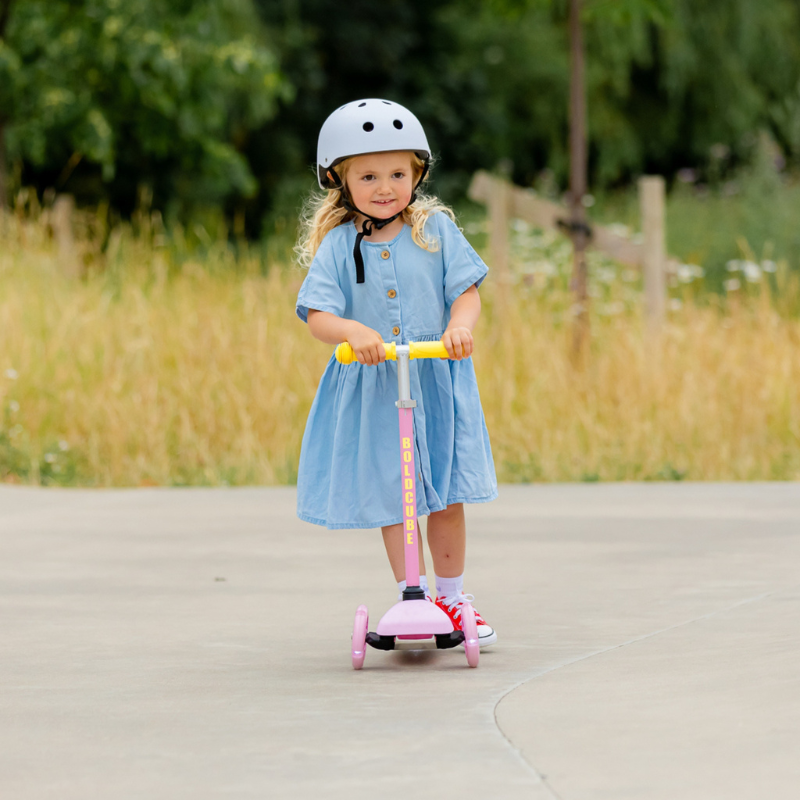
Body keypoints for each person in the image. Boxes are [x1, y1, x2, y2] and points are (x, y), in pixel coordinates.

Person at [294, 99, 498, 647]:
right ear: (340, 180)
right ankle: (415, 594)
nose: (385, 186)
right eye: (368, 175)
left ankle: (453, 598)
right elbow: (317, 315)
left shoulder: (435, 232)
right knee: (397, 493)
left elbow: (467, 293)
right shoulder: (340, 246)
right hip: (378, 386)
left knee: (447, 493)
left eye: (397, 173)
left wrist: (459, 326)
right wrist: (352, 332)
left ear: (417, 174)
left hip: (434, 379)